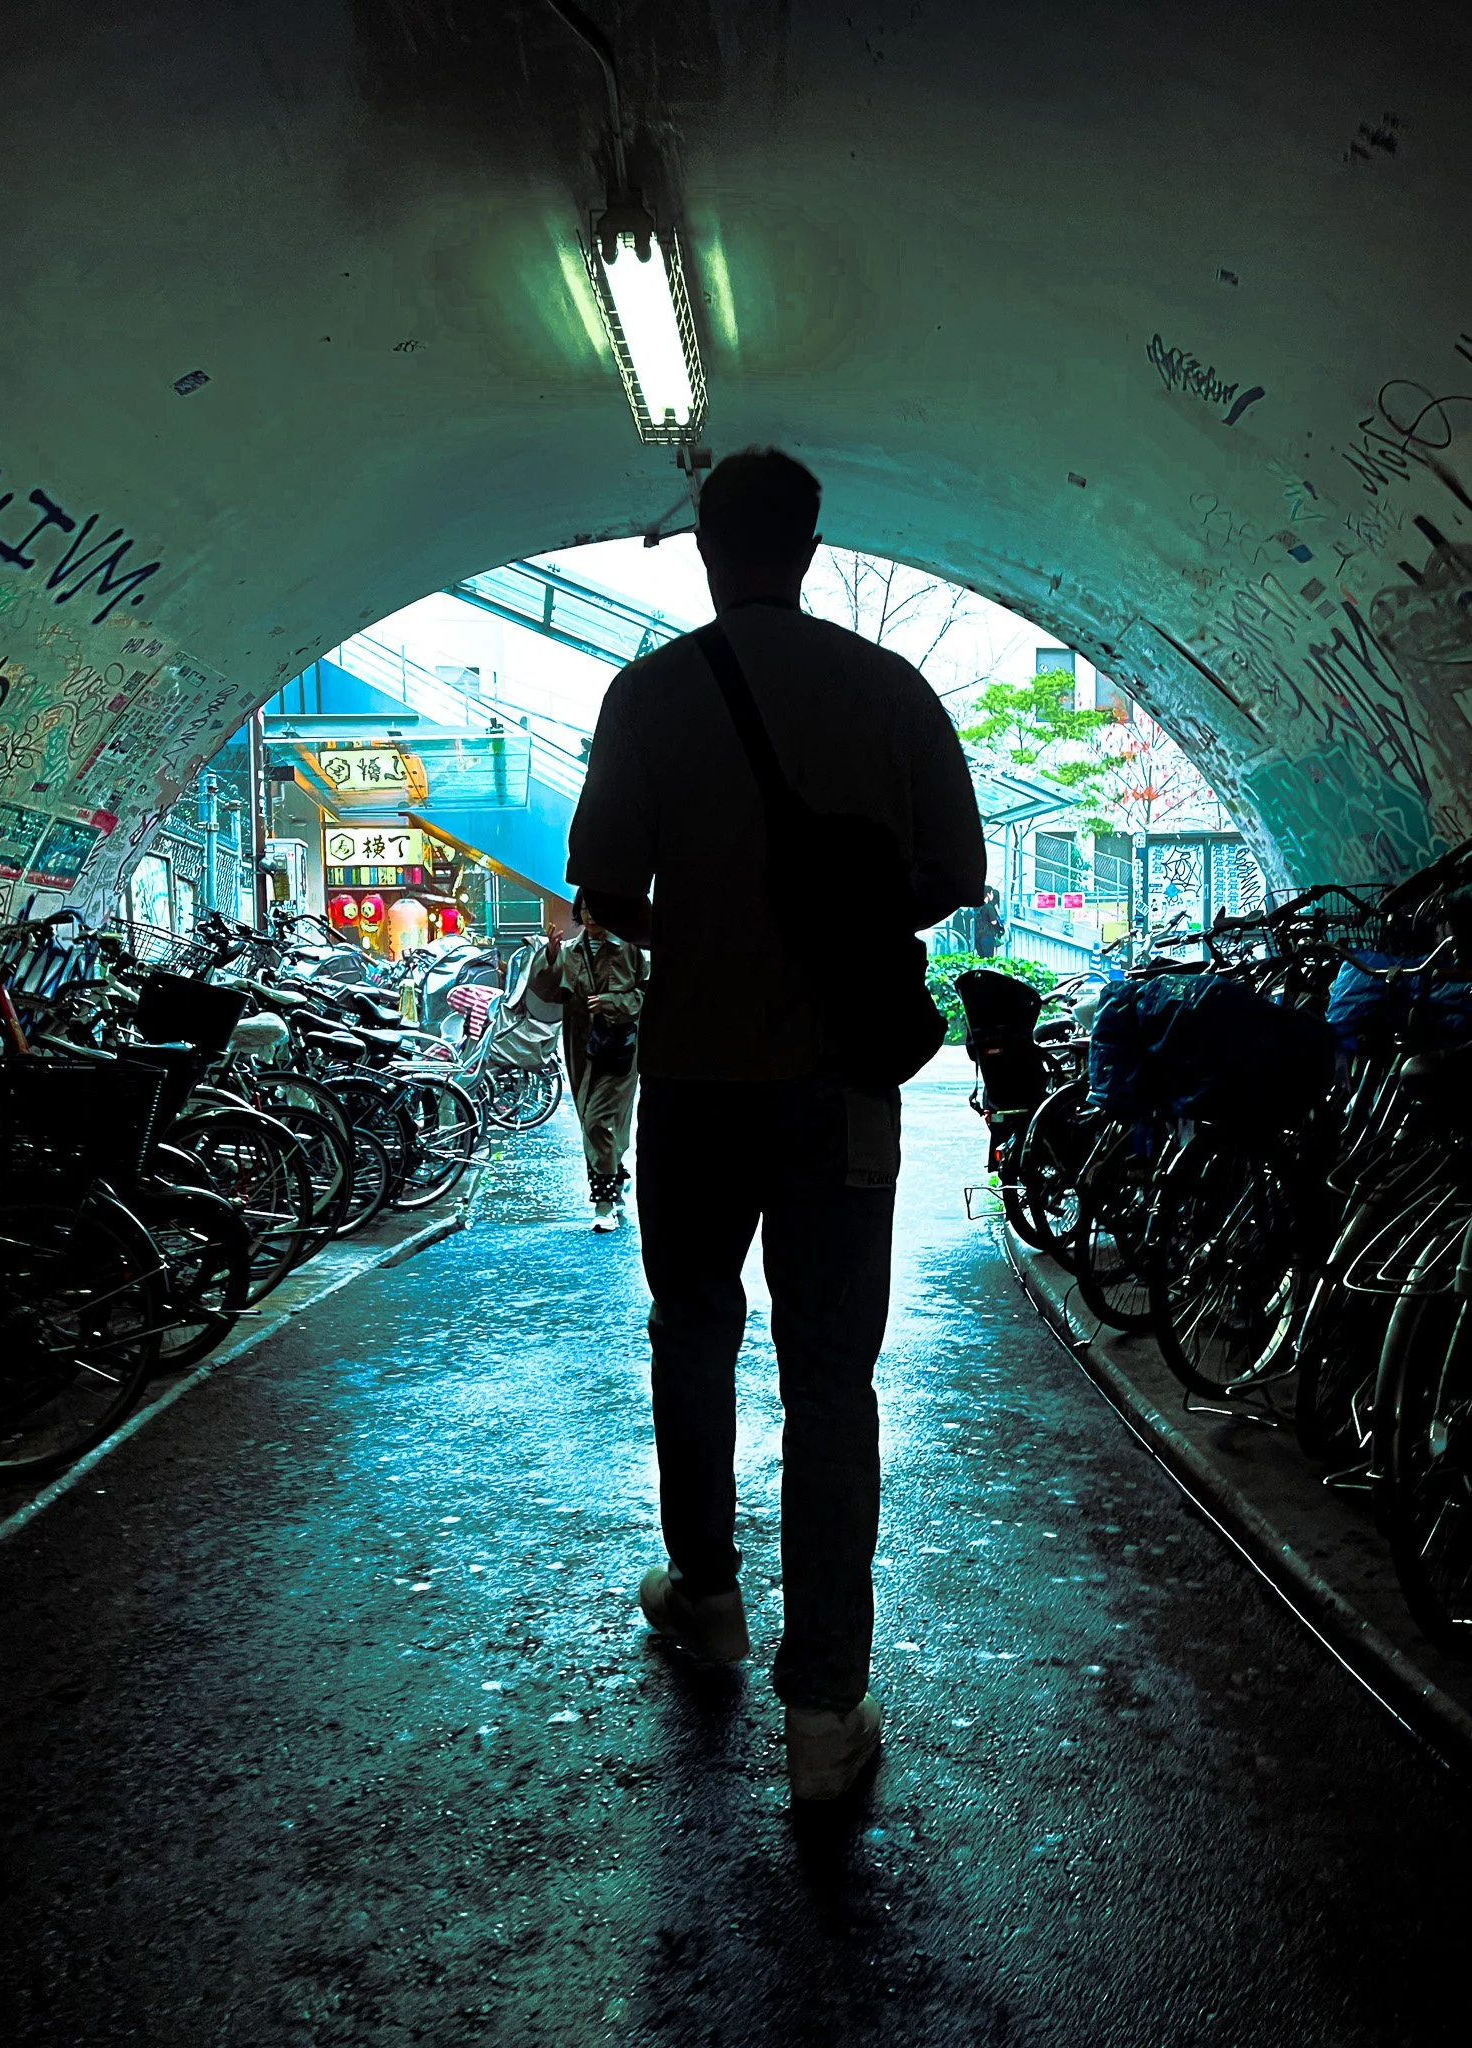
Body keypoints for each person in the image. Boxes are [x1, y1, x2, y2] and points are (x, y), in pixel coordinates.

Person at [567, 446, 985, 1801]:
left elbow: (608, 893)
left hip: (691, 1084)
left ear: (704, 545)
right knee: (830, 1388)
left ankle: (706, 1595)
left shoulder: (647, 693)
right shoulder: (890, 690)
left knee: (690, 1337)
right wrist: (838, 922)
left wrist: (710, 918)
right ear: (808, 544)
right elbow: (951, 877)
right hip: (839, 1098)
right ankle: (823, 1717)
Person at [529, 891, 645, 1231]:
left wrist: (611, 1002)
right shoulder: (570, 952)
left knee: (598, 1121)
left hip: (621, 1046)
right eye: (584, 908)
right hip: (581, 1044)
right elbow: (550, 993)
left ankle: (604, 1201)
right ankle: (617, 1174)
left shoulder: (630, 948)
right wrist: (549, 957)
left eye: (597, 907)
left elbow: (647, 992)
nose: (591, 915)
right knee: (590, 1120)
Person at [973, 885, 1004, 958]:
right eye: (992, 893)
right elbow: (994, 922)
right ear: (988, 894)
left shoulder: (977, 907)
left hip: (977, 937)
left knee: (981, 958)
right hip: (988, 935)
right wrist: (999, 930)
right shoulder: (989, 907)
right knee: (988, 959)